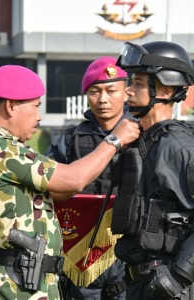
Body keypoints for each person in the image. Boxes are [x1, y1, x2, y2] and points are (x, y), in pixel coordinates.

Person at [0, 65, 139, 300]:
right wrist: (115, 140)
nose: (39, 116)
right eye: (35, 106)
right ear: (11, 106)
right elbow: (73, 180)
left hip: (29, 280)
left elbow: (60, 191)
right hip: (13, 285)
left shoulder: (13, 148)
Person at [110, 41, 194, 300]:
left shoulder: (176, 146)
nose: (129, 91)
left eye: (138, 83)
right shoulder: (142, 138)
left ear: (166, 90)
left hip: (170, 288)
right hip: (141, 282)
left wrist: (178, 276)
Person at [46, 56, 132, 299]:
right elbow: (44, 184)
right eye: (95, 91)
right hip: (78, 256)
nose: (103, 99)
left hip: (127, 255)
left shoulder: (143, 137)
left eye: (111, 91)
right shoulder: (70, 141)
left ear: (126, 93)